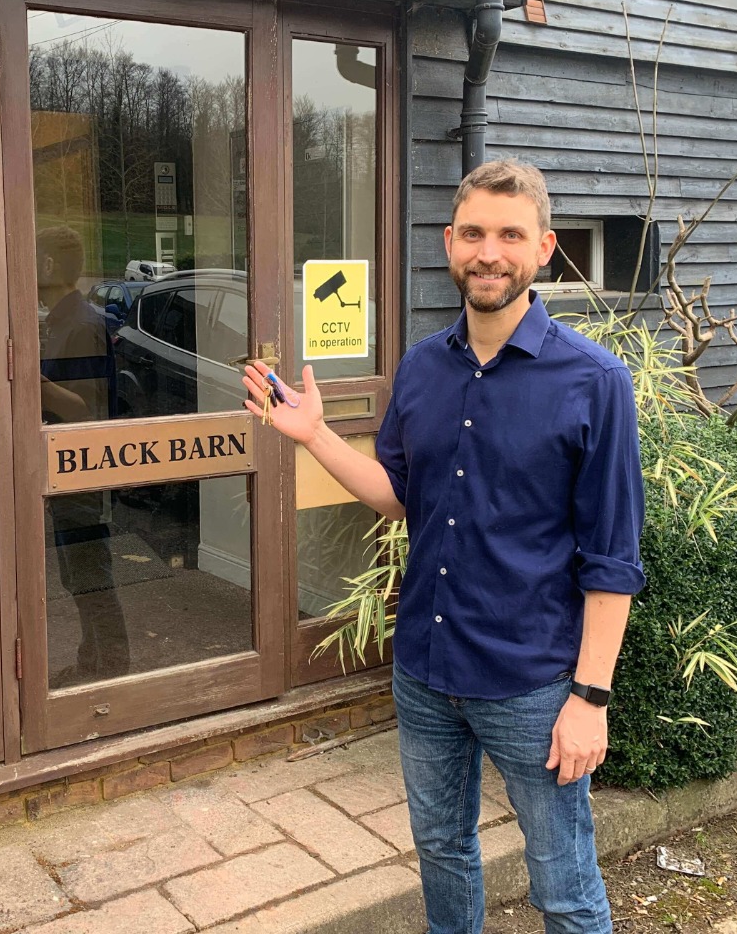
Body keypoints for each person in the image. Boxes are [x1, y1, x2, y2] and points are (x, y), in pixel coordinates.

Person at [244, 160, 644, 934]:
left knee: (563, 884)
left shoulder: (595, 382)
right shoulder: (423, 367)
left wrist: (589, 701)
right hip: (426, 673)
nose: (488, 252)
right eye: (473, 233)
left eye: (509, 235)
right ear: (448, 242)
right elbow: (400, 497)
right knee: (443, 857)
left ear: (544, 249)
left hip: (531, 683)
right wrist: (315, 433)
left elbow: (613, 560)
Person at [37, 225, 130, 684]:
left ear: (49, 266)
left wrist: (30, 384)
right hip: (62, 467)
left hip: (83, 468)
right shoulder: (59, 320)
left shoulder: (82, 324)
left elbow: (85, 410)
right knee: (78, 575)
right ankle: (92, 660)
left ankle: (112, 667)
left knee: (92, 574)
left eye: (32, 258)